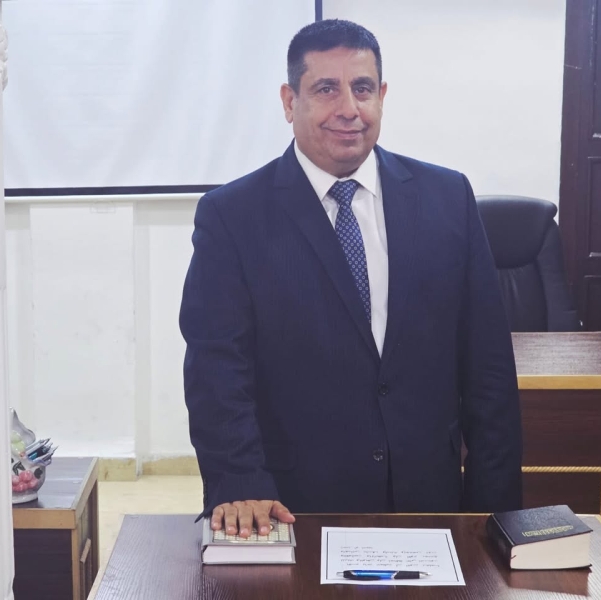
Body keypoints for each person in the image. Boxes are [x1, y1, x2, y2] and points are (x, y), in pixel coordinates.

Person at [179, 19, 523, 539]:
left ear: (381, 95)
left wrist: (496, 507)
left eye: (362, 88)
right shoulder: (232, 216)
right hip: (290, 508)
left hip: (428, 504)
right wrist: (239, 479)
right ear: (289, 101)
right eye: (326, 89)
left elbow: (488, 366)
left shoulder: (447, 198)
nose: (348, 108)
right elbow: (216, 366)